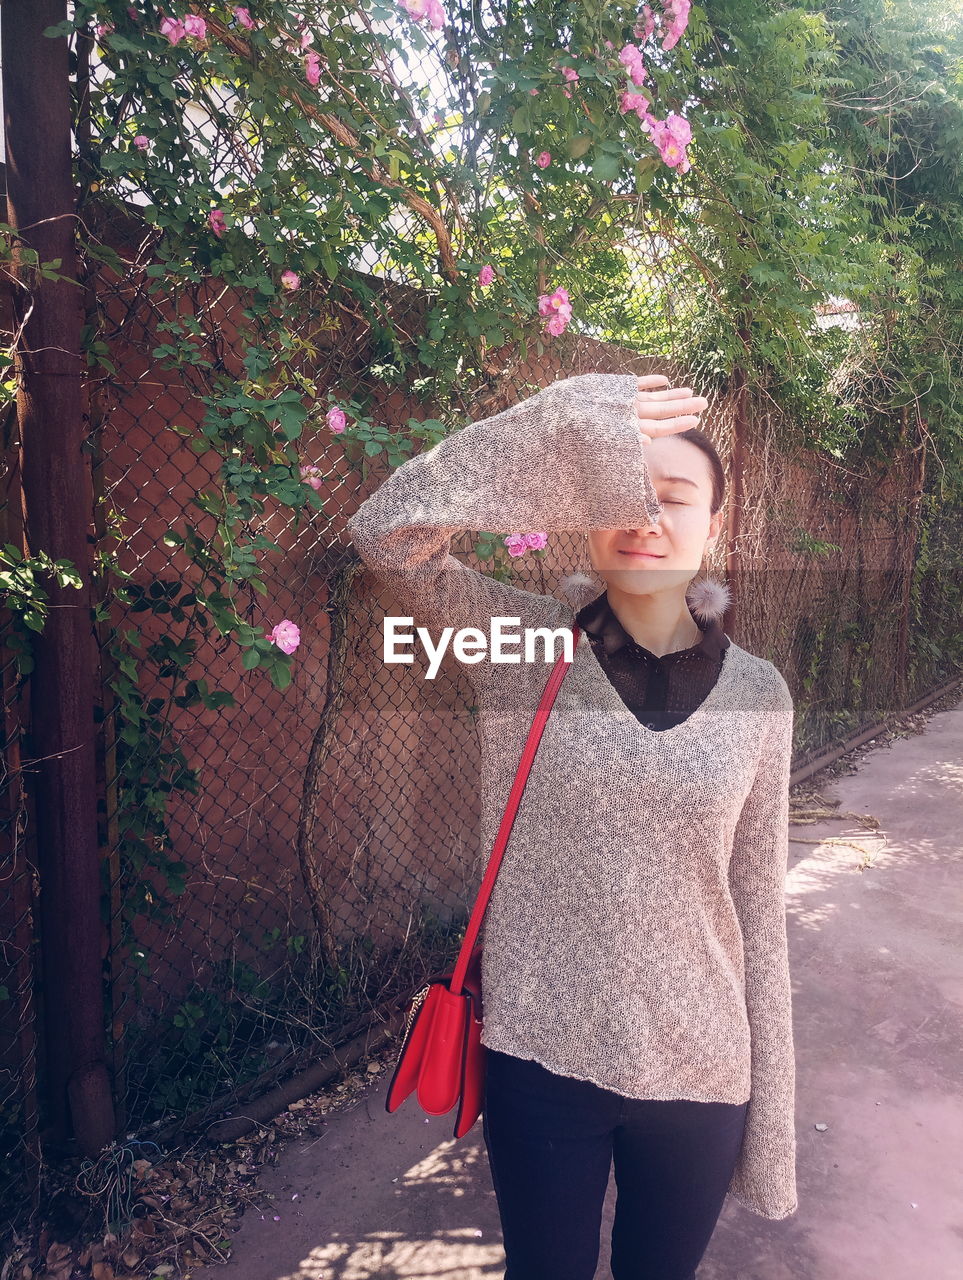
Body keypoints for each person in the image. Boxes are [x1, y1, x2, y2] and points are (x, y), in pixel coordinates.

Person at [346, 371, 797, 1280]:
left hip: (701, 1068)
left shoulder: (760, 695)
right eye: (616, 495)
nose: (642, 517)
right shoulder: (518, 644)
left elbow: (757, 910)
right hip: (542, 1054)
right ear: (581, 512)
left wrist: (772, 1122)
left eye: (671, 498)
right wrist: (558, 430)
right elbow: (384, 535)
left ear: (716, 526)